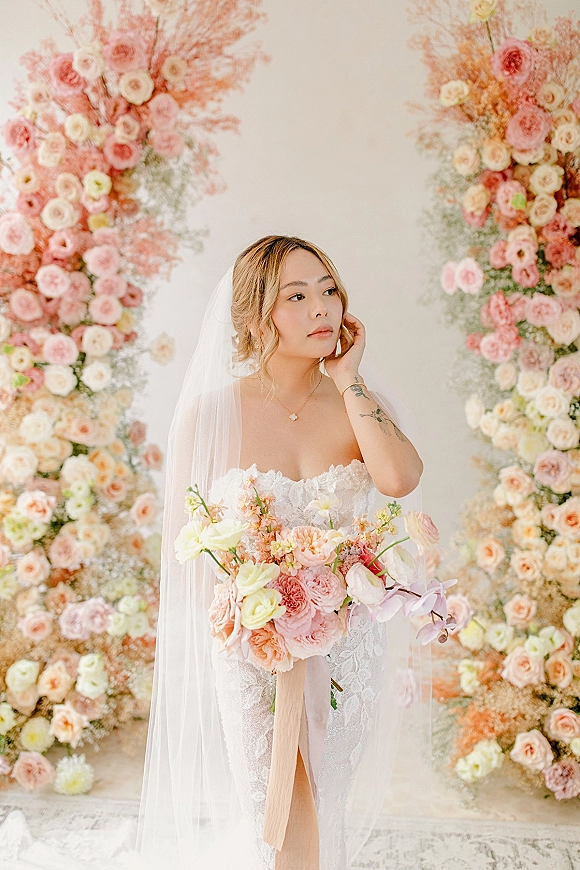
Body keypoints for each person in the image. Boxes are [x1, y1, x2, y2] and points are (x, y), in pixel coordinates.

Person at [136, 235, 431, 870]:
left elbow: (401, 480)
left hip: (346, 640)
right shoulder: (211, 414)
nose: (321, 307)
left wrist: (349, 381)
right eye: (296, 296)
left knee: (326, 790)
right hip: (254, 643)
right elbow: (188, 546)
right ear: (253, 314)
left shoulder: (357, 406)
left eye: (328, 290)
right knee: (273, 793)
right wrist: (249, 612)